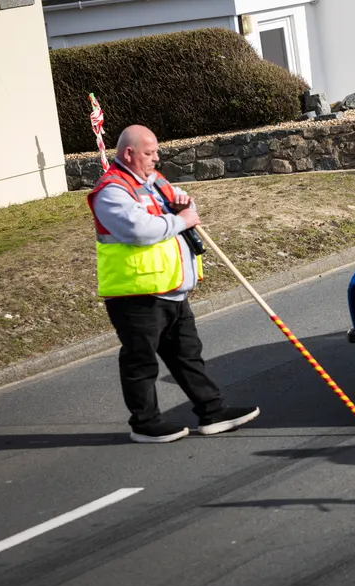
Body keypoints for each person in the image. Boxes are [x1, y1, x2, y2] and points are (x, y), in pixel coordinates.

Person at [87, 125, 259, 443]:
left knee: (187, 355)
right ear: (129, 153)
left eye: (156, 152)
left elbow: (184, 212)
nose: (156, 158)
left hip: (171, 288)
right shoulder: (111, 190)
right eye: (150, 153)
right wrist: (182, 220)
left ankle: (213, 412)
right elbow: (138, 230)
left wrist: (184, 207)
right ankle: (145, 423)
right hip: (136, 293)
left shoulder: (156, 182)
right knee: (141, 360)